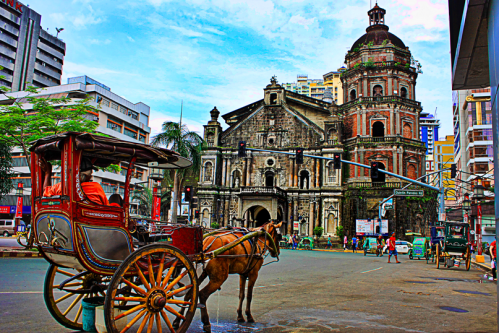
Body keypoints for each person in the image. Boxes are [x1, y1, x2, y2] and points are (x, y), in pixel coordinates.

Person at [40, 157, 110, 206]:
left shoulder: (61, 186)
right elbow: (107, 206)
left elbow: (45, 191)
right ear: (86, 176)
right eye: (90, 174)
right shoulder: (96, 187)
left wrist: (47, 173)